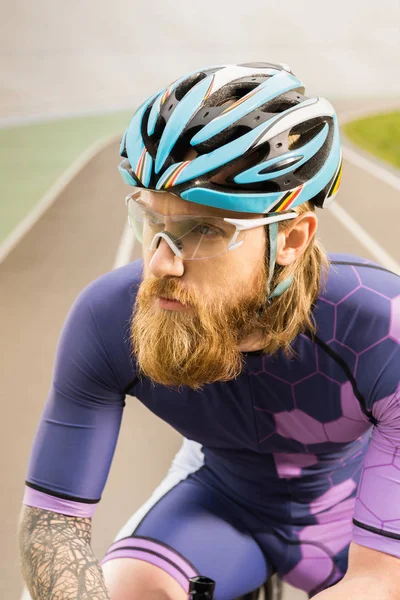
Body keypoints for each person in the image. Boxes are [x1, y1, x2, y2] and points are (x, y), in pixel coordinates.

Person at [19, 62, 400, 600]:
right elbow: (54, 523)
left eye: (202, 229)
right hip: (221, 504)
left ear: (291, 240)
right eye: (151, 222)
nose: (160, 264)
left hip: (359, 519)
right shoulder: (108, 318)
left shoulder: (381, 327)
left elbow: (381, 581)